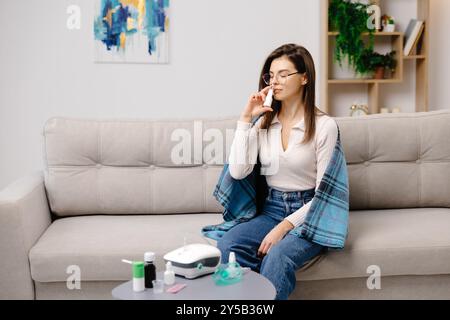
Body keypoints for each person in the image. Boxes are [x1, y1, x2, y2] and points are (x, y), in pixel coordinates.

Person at [217, 43, 339, 300]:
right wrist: (245, 119)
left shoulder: (324, 126)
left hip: (309, 213)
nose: (275, 82)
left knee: (278, 255)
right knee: (228, 244)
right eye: (271, 76)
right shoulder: (265, 121)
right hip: (271, 208)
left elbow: (324, 197)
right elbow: (238, 172)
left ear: (304, 77)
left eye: (284, 74)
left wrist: (283, 228)